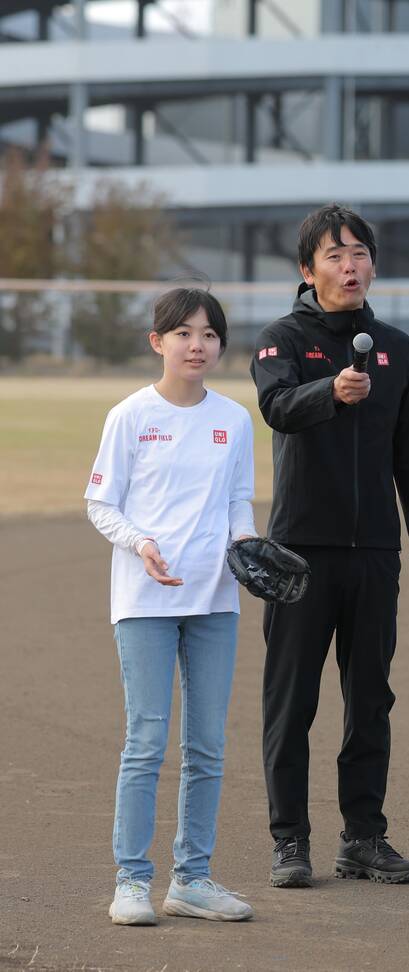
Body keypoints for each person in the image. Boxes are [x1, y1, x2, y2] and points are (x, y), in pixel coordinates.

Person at [251, 204, 409, 889]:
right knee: (292, 701)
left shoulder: (395, 347)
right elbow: (276, 406)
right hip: (300, 554)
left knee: (370, 697)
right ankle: (290, 841)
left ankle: (364, 838)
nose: (350, 266)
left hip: (374, 554)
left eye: (360, 254)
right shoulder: (282, 337)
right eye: (335, 256)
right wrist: (330, 394)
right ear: (308, 270)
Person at [86, 288, 256, 926]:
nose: (197, 345)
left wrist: (246, 544)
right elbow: (102, 503)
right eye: (183, 333)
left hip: (215, 601)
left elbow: (239, 501)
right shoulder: (129, 416)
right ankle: (132, 881)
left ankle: (191, 879)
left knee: (208, 745)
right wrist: (141, 543)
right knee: (147, 739)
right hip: (144, 599)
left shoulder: (234, 420)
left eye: (209, 334)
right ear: (158, 341)